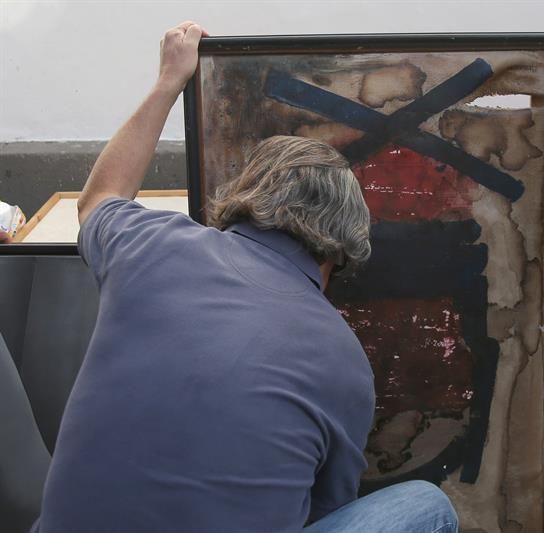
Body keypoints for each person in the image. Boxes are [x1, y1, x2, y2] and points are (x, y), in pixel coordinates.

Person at [32, 21, 458, 533]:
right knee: (426, 505)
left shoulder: (151, 246)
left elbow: (99, 198)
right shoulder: (344, 363)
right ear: (337, 257)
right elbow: (320, 510)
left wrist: (169, 80)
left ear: (245, 199)